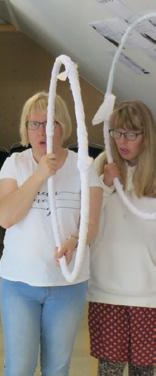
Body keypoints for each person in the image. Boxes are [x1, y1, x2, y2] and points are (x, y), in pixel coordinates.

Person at [0, 92, 102, 376]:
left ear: (63, 126)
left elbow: (91, 225)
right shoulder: (15, 164)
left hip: (67, 284)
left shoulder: (85, 167)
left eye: (50, 123)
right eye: (34, 124)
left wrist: (75, 241)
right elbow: (6, 217)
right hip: (19, 283)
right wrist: (40, 174)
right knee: (19, 367)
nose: (42, 131)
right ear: (25, 129)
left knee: (57, 367)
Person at [87, 101, 156, 376]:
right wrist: (104, 185)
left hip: (149, 294)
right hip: (107, 290)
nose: (121, 141)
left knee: (143, 371)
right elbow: (86, 221)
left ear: (146, 135)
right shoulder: (102, 165)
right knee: (110, 370)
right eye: (116, 132)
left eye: (131, 134)